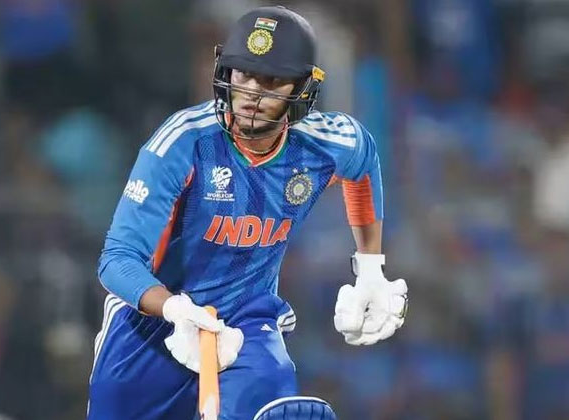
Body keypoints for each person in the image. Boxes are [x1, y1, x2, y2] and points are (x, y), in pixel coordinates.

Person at [88, 6, 408, 420]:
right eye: (244, 75)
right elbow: (117, 260)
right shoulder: (183, 142)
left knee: (271, 393)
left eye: (272, 81)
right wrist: (175, 310)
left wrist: (370, 269)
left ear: (303, 87)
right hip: (150, 325)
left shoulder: (328, 142)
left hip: (248, 322)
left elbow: (364, 164)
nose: (253, 93)